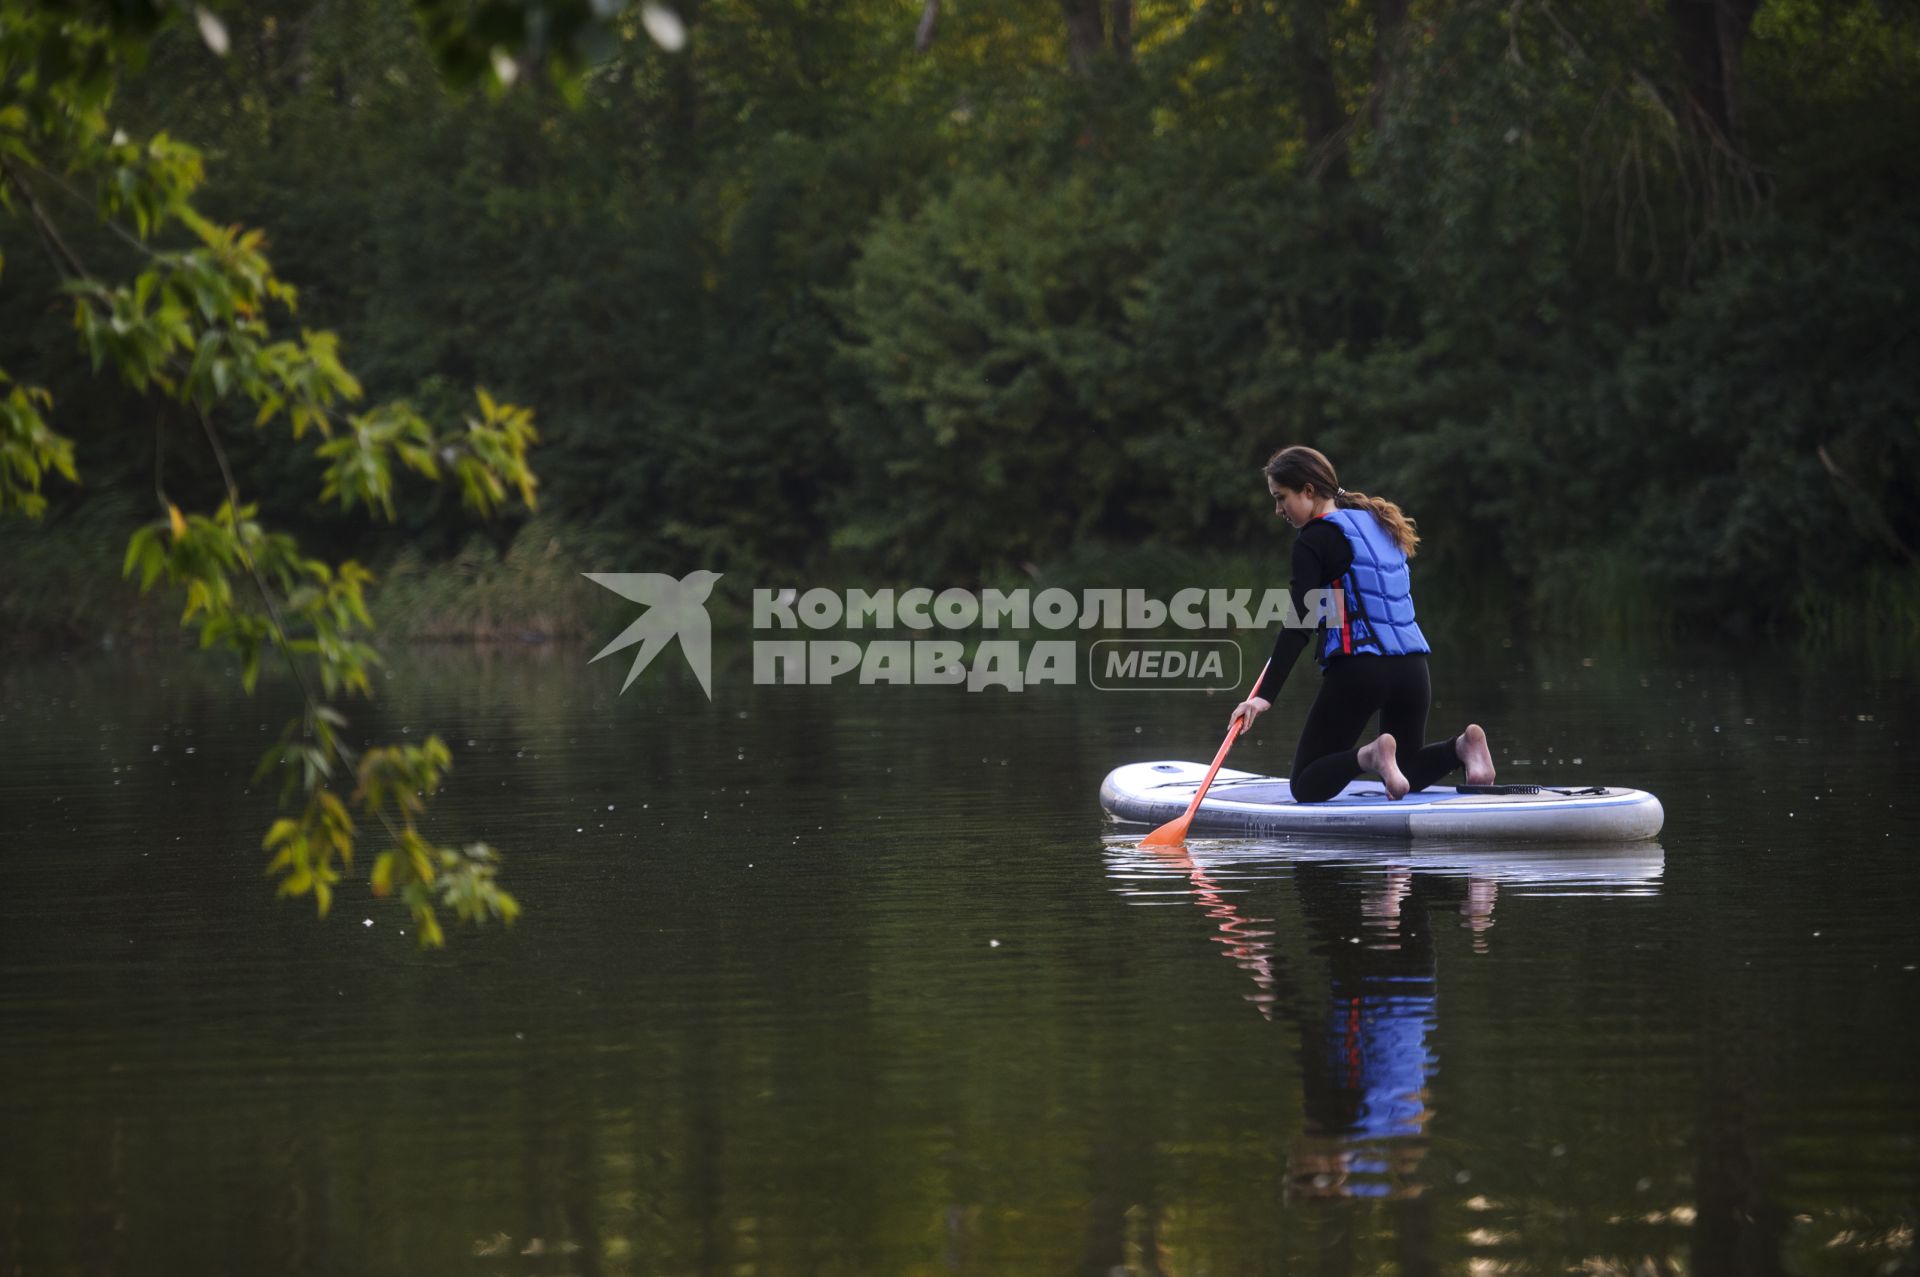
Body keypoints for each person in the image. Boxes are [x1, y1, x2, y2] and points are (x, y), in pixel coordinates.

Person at [1228, 445, 1496, 802]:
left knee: (1307, 785)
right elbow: (1354, 599)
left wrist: (1264, 697)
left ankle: (1370, 755)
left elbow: (1300, 623)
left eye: (1281, 498)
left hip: (1360, 669)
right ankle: (1462, 748)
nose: (1278, 510)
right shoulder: (1380, 523)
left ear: (1308, 491)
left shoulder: (1313, 539)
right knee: (1408, 770)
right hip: (1413, 670)